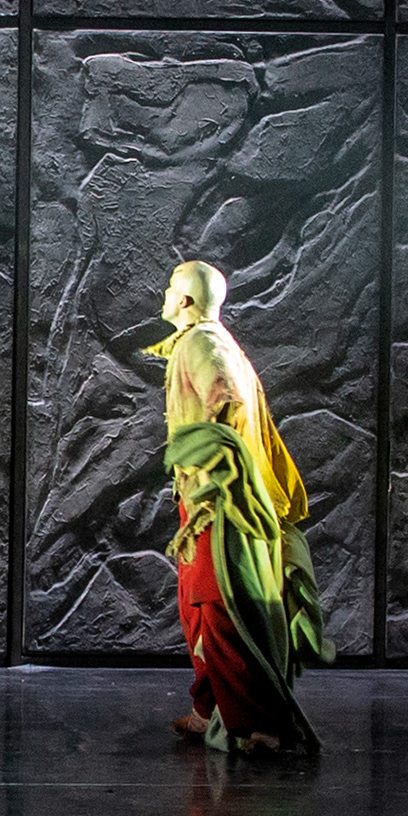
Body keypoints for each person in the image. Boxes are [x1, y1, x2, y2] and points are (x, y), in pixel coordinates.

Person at [156, 260, 329, 755]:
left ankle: (260, 724)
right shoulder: (202, 341)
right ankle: (209, 707)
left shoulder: (203, 343)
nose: (164, 294)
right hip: (206, 500)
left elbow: (225, 396)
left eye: (171, 288)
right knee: (198, 608)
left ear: (185, 300)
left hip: (222, 503)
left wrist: (215, 465)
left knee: (225, 609)